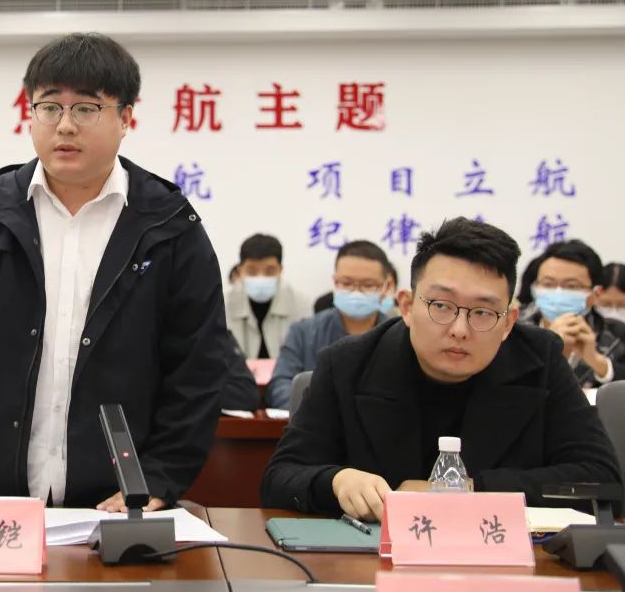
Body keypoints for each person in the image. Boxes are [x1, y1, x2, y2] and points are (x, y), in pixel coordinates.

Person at [0, 32, 228, 512]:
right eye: (50, 107)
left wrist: (158, 480)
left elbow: (198, 372)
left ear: (126, 118)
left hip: (117, 504)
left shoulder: (168, 225)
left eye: (86, 109)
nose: (65, 126)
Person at [260, 218, 621, 520]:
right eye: (442, 306)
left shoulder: (540, 360)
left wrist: (467, 490)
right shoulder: (347, 364)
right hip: (372, 563)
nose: (460, 329)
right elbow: (279, 478)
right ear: (406, 306)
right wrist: (336, 481)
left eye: (482, 312)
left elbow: (602, 481)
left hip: (498, 562)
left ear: (509, 321)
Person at [267, 241, 391, 409]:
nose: (356, 292)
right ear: (335, 282)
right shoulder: (303, 332)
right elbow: (280, 386)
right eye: (346, 283)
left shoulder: (398, 336)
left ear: (385, 286)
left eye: (368, 285)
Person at [521, 240, 625, 387]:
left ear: (595, 293)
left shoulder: (615, 335)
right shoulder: (511, 328)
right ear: (535, 287)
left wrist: (599, 364)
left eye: (571, 286)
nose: (558, 293)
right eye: (548, 284)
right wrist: (549, 351)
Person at [225, 234, 308, 361]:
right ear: (240, 270)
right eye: (252, 271)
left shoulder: (300, 303)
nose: (261, 277)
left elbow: (306, 356)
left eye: (269, 271)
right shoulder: (223, 305)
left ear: (280, 270)